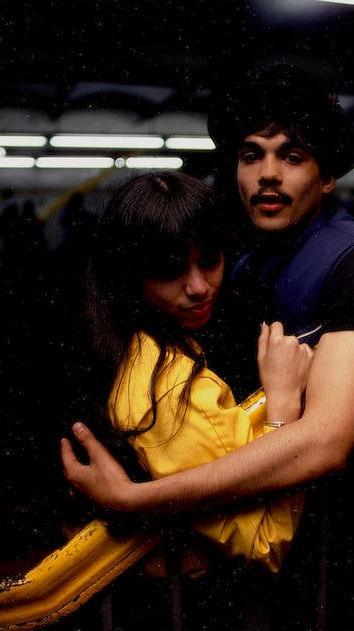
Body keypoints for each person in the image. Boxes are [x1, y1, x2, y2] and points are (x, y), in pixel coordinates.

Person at [62, 63, 354, 628]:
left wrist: (135, 500)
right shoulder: (245, 264)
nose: (268, 174)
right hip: (277, 531)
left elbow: (325, 441)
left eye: (292, 156)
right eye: (251, 156)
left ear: (326, 178)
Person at [71, 170, 315, 627]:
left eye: (210, 259)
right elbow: (265, 545)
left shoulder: (122, 341)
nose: (199, 286)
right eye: (169, 269)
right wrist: (284, 404)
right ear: (129, 274)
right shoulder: (169, 389)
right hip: (194, 607)